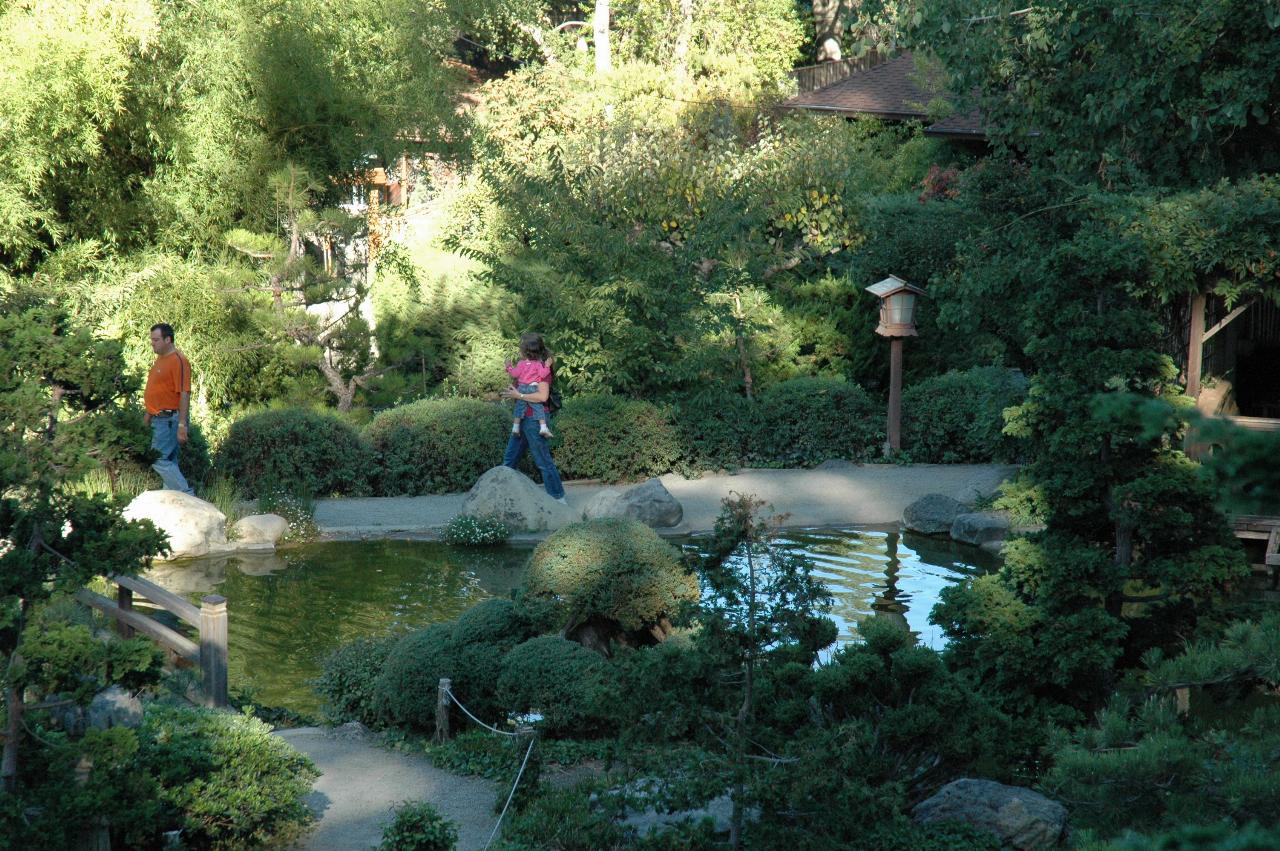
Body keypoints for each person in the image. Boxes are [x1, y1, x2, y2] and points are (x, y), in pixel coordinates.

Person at [500, 333, 566, 505]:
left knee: (543, 461)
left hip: (535, 421)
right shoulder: (526, 366)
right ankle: (500, 499)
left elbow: (543, 397)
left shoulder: (541, 370)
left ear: (528, 350)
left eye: (521, 347)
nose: (519, 350)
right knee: (509, 460)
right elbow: (518, 380)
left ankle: (559, 500)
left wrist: (518, 394)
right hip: (522, 418)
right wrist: (513, 391)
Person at [143, 323, 194, 495]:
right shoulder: (161, 359)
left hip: (170, 419)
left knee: (157, 458)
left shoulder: (178, 361)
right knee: (169, 462)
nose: (152, 343)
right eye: (152, 340)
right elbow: (158, 392)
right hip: (159, 418)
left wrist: (182, 425)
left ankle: (187, 496)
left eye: (156, 340)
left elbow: (184, 393)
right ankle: (176, 501)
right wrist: (147, 417)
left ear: (168, 339)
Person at [505, 336, 554, 438]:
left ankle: (515, 427)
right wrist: (547, 366)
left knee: (519, 407)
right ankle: (543, 427)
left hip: (522, 388)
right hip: (532, 388)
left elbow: (514, 374)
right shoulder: (538, 365)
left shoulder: (521, 364)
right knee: (538, 407)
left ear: (525, 352)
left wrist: (509, 367)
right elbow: (543, 374)